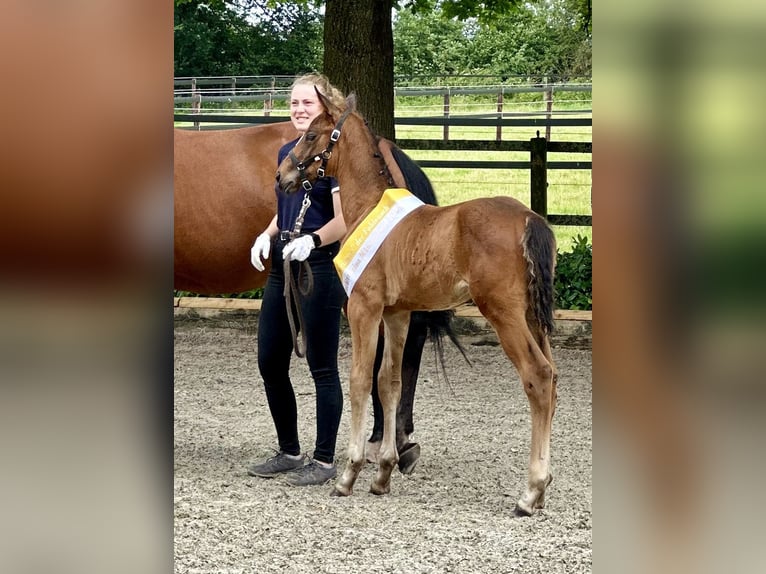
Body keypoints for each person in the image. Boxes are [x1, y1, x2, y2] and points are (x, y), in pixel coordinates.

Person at [247, 74, 347, 486]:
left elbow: (345, 219)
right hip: (283, 265)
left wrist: (313, 240)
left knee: (323, 367)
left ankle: (324, 461)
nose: (299, 109)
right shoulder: (290, 151)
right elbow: (284, 207)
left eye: (307, 103)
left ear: (325, 106)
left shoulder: (335, 155)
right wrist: (267, 235)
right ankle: (289, 450)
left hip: (317, 266)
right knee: (270, 361)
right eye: (293, 103)